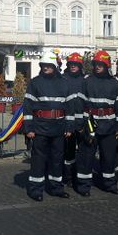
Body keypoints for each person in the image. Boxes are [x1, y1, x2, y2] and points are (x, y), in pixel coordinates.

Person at [23, 51, 73, 201]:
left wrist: (69, 127)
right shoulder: (35, 82)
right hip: (40, 127)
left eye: (48, 65)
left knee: (57, 160)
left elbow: (70, 107)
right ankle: (35, 190)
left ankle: (56, 188)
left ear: (55, 66)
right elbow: (28, 107)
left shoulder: (65, 83)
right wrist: (29, 128)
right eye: (43, 65)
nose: (45, 67)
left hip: (59, 127)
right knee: (38, 160)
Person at [75, 50, 118, 196]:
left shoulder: (114, 83)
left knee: (109, 158)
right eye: (96, 64)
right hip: (90, 125)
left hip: (109, 126)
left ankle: (110, 184)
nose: (97, 66)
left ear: (106, 65)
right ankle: (84, 186)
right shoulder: (86, 81)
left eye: (100, 64)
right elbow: (80, 104)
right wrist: (80, 125)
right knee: (86, 157)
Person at [62, 52, 85, 189]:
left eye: (76, 64)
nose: (73, 66)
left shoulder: (85, 80)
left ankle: (80, 177)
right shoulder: (63, 79)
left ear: (80, 66)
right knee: (68, 152)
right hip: (67, 123)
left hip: (83, 124)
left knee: (83, 152)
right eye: (71, 64)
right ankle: (67, 178)